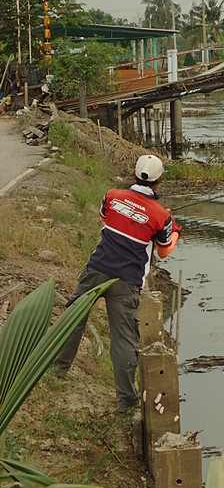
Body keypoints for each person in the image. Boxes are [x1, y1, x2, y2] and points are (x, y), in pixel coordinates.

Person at [55, 154, 182, 411]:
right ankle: (126, 401)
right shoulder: (161, 216)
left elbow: (106, 219)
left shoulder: (112, 195)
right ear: (158, 182)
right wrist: (176, 232)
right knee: (123, 339)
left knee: (74, 319)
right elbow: (164, 251)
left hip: (96, 269)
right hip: (126, 281)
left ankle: (58, 370)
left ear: (135, 174)